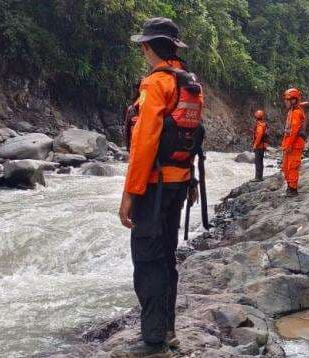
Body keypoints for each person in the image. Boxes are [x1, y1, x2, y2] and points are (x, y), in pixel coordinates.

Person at [118, 17, 201, 357]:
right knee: (167, 257)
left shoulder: (156, 84)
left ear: (148, 47)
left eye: (143, 46)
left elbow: (145, 141)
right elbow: (192, 136)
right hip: (179, 184)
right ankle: (168, 330)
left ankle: (153, 343)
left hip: (153, 188)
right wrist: (192, 178)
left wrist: (129, 194)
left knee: (149, 261)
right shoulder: (189, 84)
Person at [281, 88, 307, 197]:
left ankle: (293, 189)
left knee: (292, 167)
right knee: (286, 167)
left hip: (295, 144)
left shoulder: (296, 112)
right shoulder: (292, 111)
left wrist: (289, 145)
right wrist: (285, 144)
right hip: (290, 143)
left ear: (293, 100)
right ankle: (289, 187)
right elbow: (289, 131)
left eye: (287, 100)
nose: (286, 102)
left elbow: (294, 131)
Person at [251, 110, 268, 182]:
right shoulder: (263, 124)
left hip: (259, 146)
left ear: (256, 117)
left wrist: (255, 145)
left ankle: (258, 177)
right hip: (262, 146)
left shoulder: (260, 126)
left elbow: (259, 136)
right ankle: (260, 177)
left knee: (258, 162)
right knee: (260, 162)